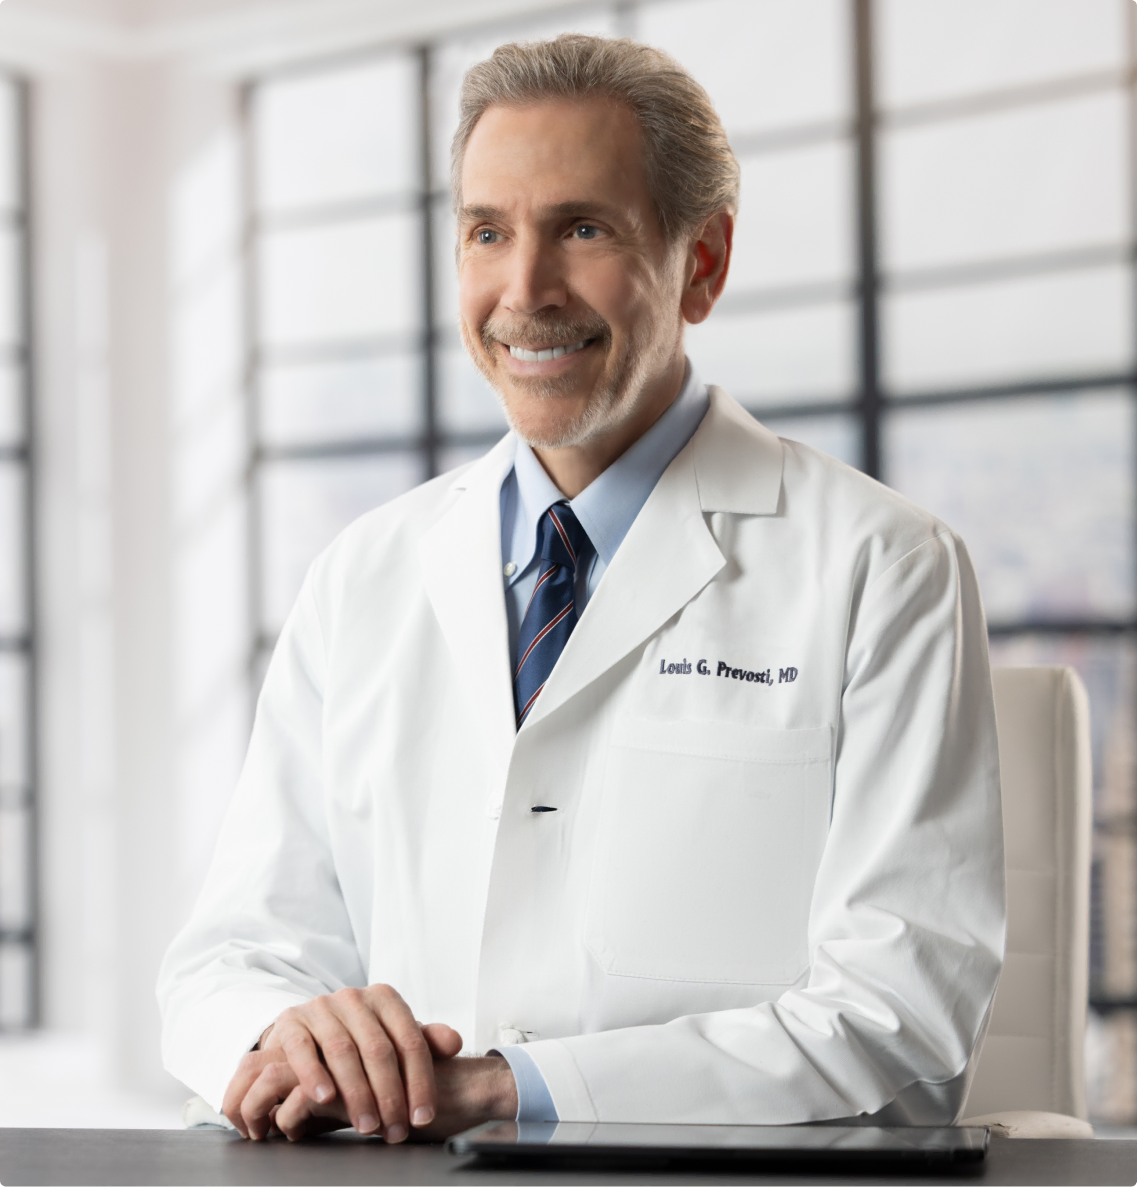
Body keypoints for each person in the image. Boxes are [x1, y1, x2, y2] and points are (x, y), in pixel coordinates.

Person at [157, 34, 1005, 1144]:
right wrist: (286, 1031)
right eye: (487, 232)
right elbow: (227, 954)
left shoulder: (884, 569)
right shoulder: (362, 574)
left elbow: (903, 1016)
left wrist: (511, 1085)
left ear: (703, 263)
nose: (524, 292)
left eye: (584, 229)